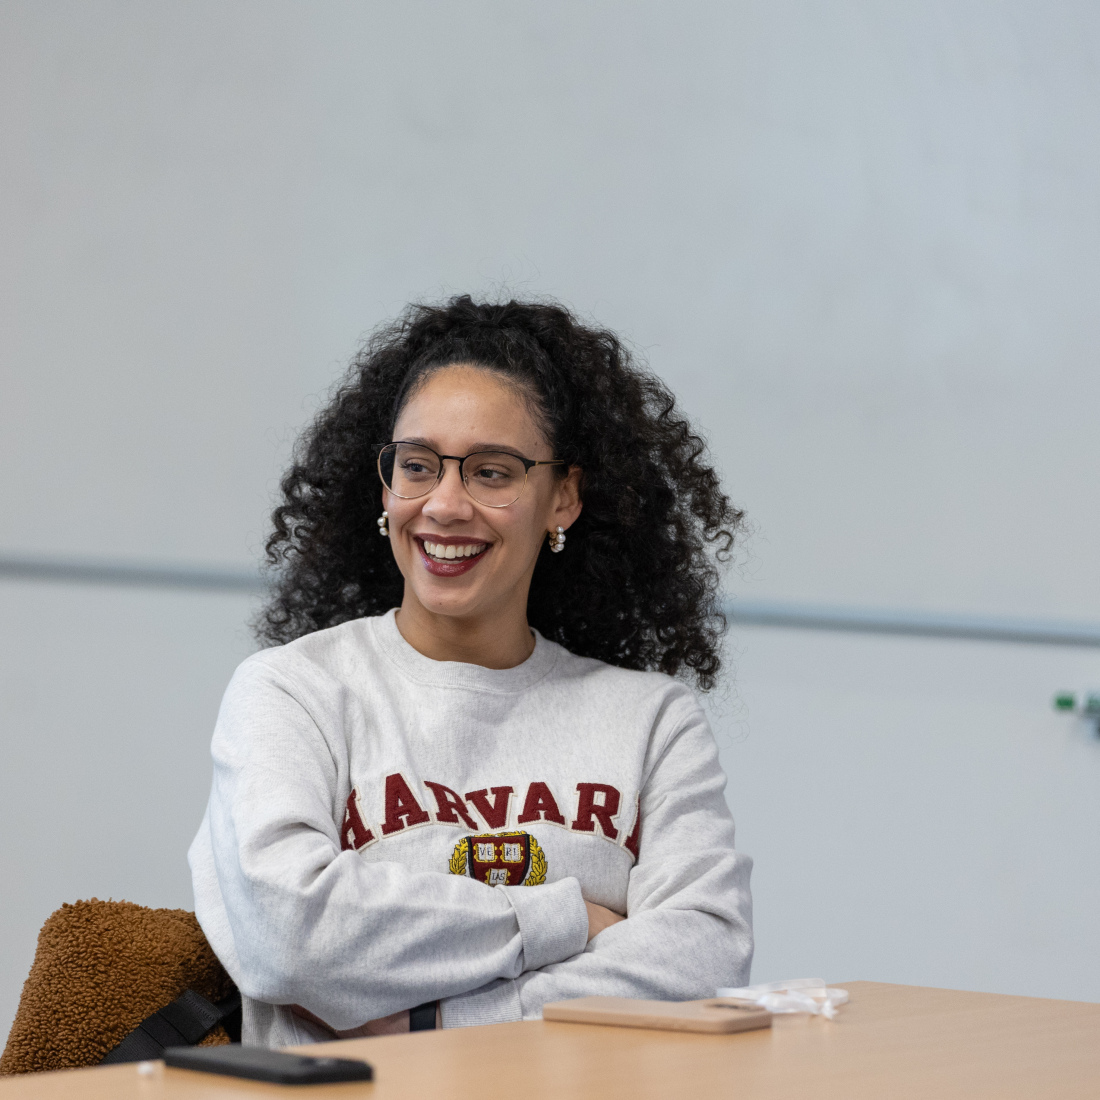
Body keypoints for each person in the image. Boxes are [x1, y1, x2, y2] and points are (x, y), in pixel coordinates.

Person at [188, 296, 753, 1046]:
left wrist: (441, 1018)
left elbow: (705, 958)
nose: (445, 505)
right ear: (385, 488)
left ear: (563, 498)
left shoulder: (652, 721)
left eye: (492, 472)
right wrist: (566, 919)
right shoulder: (293, 692)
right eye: (417, 466)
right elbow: (290, 934)